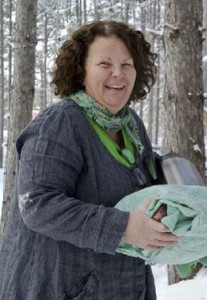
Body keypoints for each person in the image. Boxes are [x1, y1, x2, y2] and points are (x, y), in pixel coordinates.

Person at [0, 20, 180, 300]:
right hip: (59, 287)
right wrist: (123, 227)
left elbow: (140, 189)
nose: (118, 75)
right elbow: (37, 204)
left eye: (127, 64)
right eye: (105, 64)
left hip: (124, 285)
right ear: (81, 71)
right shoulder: (60, 124)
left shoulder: (130, 125)